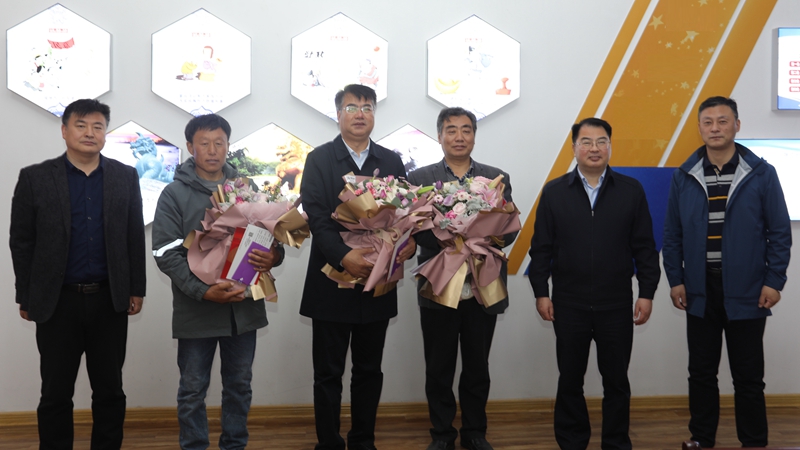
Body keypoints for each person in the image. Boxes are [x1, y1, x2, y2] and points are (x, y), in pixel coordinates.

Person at [10, 98, 147, 449]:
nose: (90, 133)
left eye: (98, 126)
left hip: (109, 299)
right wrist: (26, 295)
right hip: (57, 303)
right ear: (64, 130)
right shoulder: (35, 178)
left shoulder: (125, 177)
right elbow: (22, 242)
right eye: (81, 125)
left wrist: (136, 288)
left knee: (110, 391)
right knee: (56, 393)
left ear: (105, 133)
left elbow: (134, 235)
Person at [662, 96, 791, 448]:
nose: (715, 128)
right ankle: (701, 439)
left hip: (749, 291)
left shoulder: (761, 173)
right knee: (701, 373)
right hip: (699, 290)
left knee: (748, 376)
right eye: (708, 122)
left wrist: (774, 281)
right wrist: (676, 280)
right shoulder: (684, 175)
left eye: (722, 121)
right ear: (699, 128)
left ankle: (754, 442)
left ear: (737, 125)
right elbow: (672, 235)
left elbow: (780, 232)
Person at [152, 114, 284, 450]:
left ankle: (234, 445)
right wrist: (204, 291)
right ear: (190, 147)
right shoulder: (173, 194)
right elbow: (165, 253)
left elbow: (272, 239)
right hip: (196, 310)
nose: (212, 150)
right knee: (192, 389)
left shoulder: (248, 190)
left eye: (219, 143)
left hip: (243, 309)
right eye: (204, 143)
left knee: (239, 386)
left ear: (228, 145)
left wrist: (274, 256)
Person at [528, 117, 661, 450]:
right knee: (570, 379)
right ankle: (572, 441)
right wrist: (541, 293)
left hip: (615, 304)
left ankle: (616, 443)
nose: (594, 148)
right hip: (568, 304)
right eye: (586, 142)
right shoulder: (555, 192)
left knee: (616, 381)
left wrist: (646, 293)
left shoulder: (630, 190)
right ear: (574, 148)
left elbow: (645, 247)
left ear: (610, 146)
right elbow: (541, 249)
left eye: (602, 141)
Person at [300, 84, 416, 450]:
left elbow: (403, 213)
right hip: (331, 281)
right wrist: (342, 256)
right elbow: (317, 216)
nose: (360, 114)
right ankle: (329, 443)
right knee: (328, 372)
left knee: (369, 370)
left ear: (374, 114)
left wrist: (407, 242)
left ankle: (363, 440)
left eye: (367, 107)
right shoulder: (320, 159)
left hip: (377, 280)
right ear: (338, 114)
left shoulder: (391, 161)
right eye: (351, 107)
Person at [407, 107, 515, 450]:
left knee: (477, 365)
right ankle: (442, 434)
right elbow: (413, 230)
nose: (459, 137)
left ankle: (474, 432)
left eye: (466, 130)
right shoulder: (420, 178)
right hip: (439, 281)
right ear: (440, 136)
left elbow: (508, 230)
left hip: (483, 281)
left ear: (474, 136)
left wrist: (479, 236)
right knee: (438, 366)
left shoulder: (496, 177)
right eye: (451, 130)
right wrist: (452, 237)